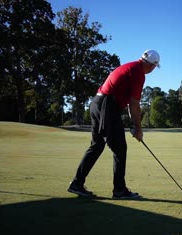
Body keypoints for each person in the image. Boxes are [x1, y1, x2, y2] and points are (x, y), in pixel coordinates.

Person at [68, 49, 160, 199]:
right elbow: (134, 104)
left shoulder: (130, 66)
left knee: (97, 145)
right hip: (107, 106)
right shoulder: (138, 73)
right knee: (119, 148)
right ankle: (119, 190)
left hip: (97, 103)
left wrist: (134, 124)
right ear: (152, 65)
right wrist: (138, 128)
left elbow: (131, 104)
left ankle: (77, 184)